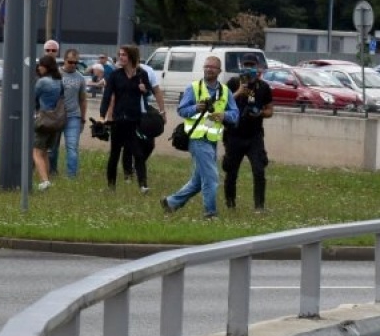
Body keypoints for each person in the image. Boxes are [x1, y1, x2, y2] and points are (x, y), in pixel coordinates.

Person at [162, 56, 238, 219]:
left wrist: (224, 115)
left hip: (212, 140)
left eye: (213, 67)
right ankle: (210, 213)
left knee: (197, 181)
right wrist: (196, 108)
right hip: (197, 139)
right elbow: (181, 110)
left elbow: (235, 114)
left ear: (219, 71)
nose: (209, 69)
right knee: (211, 178)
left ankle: (171, 202)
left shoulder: (225, 91)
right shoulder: (194, 88)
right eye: (206, 66)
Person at [99, 44, 155, 193]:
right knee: (114, 154)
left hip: (134, 121)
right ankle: (111, 187)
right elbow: (107, 96)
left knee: (138, 153)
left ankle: (143, 185)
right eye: (119, 54)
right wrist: (102, 115)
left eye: (123, 55)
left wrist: (144, 90)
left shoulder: (141, 74)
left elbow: (149, 92)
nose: (120, 57)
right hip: (118, 120)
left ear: (131, 57)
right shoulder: (115, 75)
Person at [223, 53, 273, 212]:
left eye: (252, 65)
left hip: (254, 136)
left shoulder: (263, 87)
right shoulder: (233, 82)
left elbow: (270, 110)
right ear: (241, 66)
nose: (248, 68)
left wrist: (261, 113)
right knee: (231, 172)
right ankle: (230, 204)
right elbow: (222, 104)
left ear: (257, 68)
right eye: (246, 65)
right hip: (234, 134)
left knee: (259, 170)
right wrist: (239, 92)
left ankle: (259, 206)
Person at [56, 49, 89, 179]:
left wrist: (83, 119)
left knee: (72, 147)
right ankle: (51, 171)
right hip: (56, 116)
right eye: (70, 62)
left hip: (73, 116)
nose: (73, 65)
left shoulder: (80, 77)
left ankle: (71, 176)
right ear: (64, 60)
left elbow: (83, 100)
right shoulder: (56, 74)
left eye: (76, 62)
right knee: (52, 148)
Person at [32, 55, 62, 191]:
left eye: (41, 65)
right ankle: (47, 178)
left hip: (43, 119)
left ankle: (44, 181)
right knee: (45, 153)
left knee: (36, 152)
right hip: (55, 120)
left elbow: (33, 98)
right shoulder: (59, 81)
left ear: (46, 67)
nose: (39, 68)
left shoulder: (42, 82)